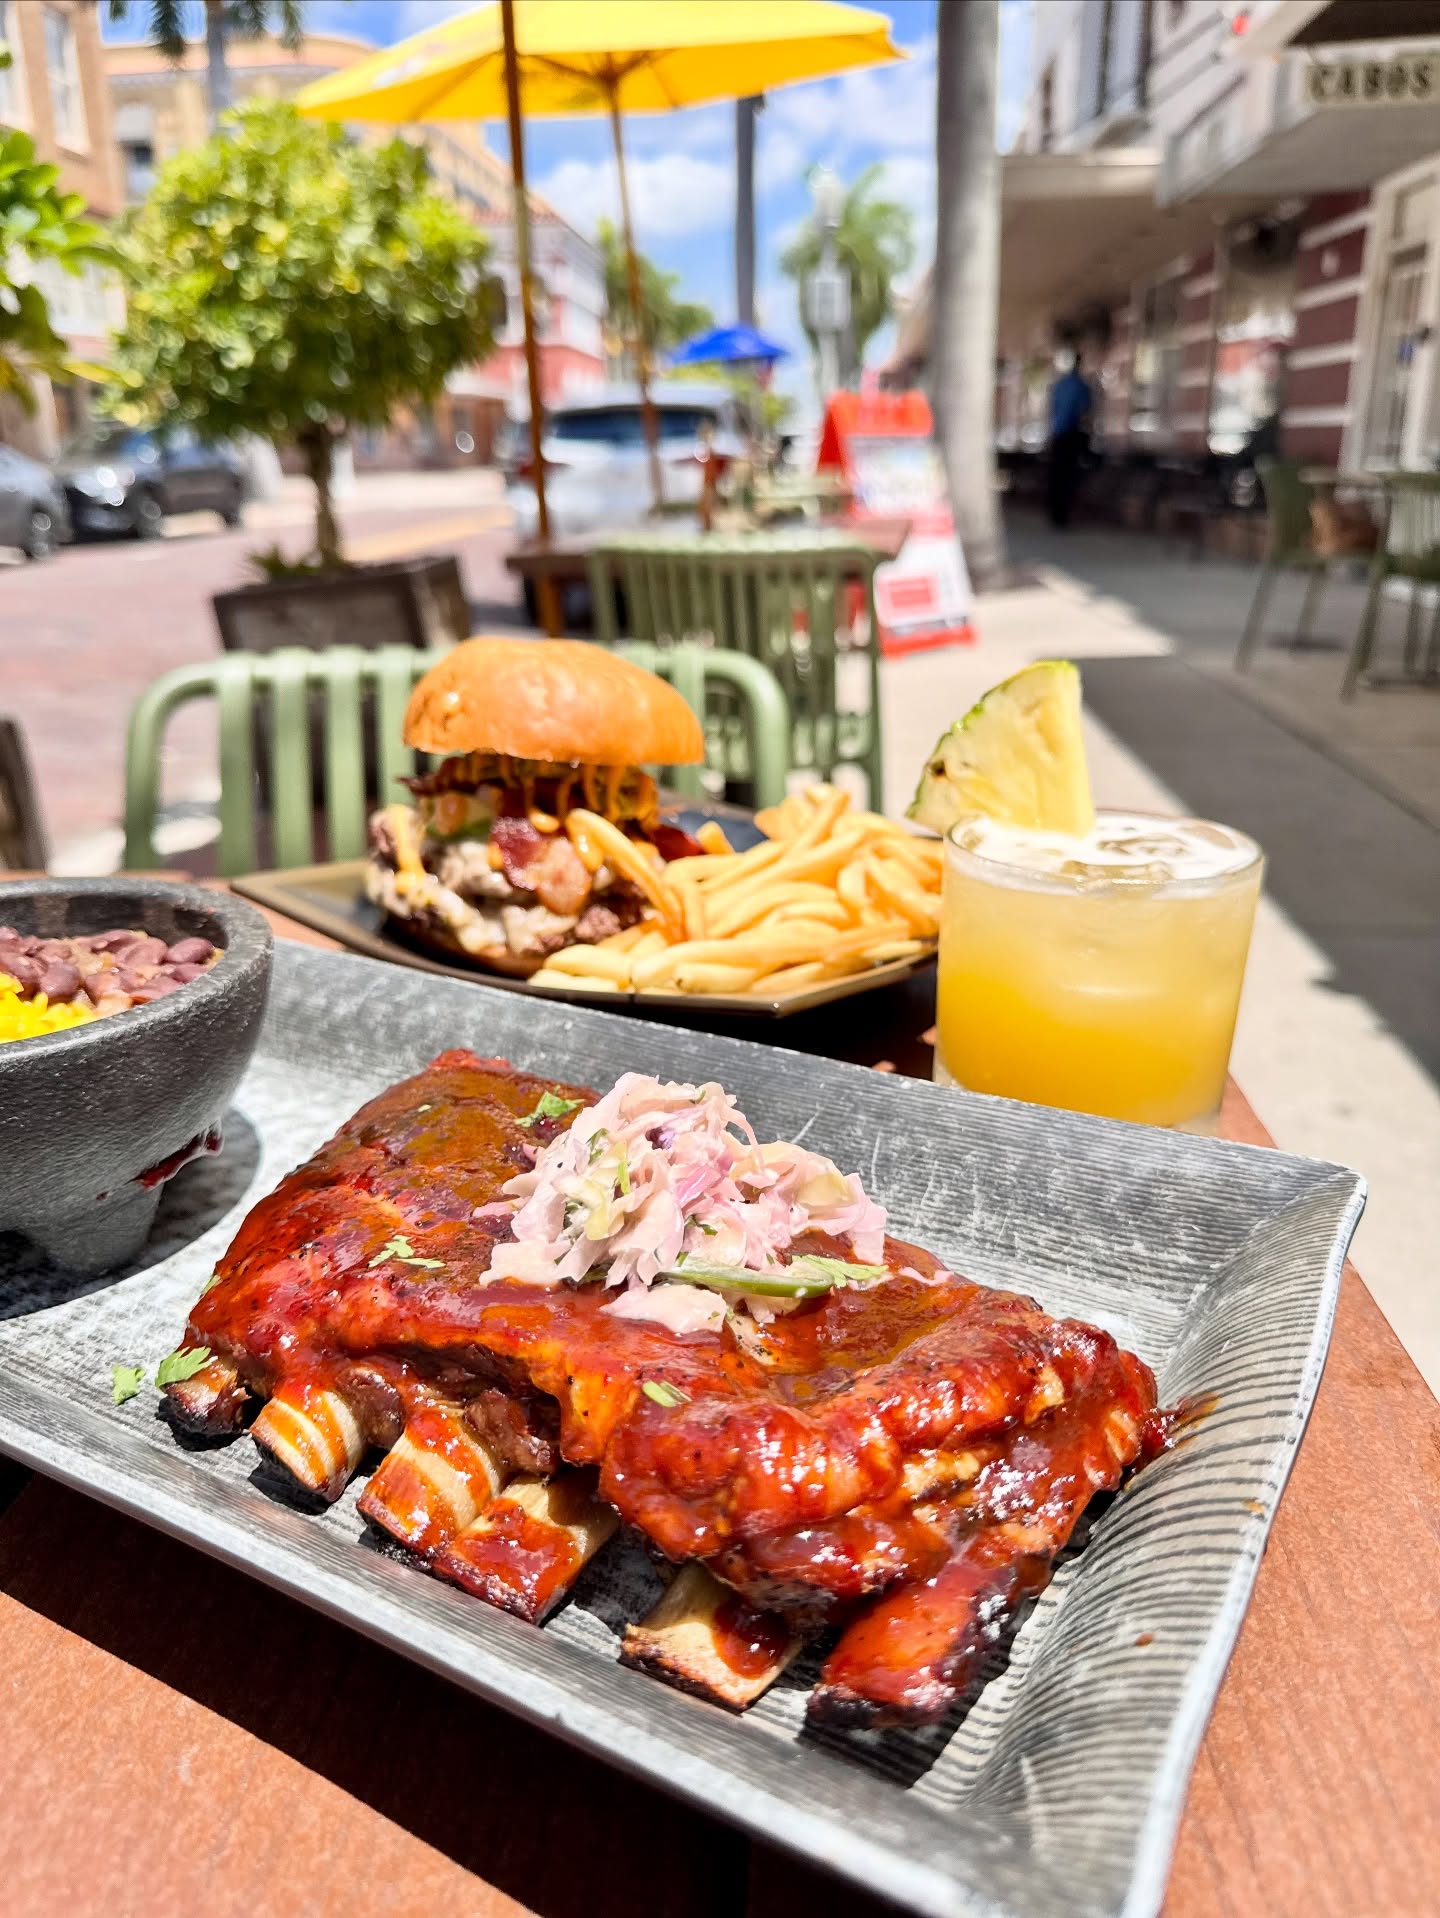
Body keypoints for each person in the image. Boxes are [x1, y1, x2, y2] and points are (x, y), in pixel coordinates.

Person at [1045, 351, 1094, 528]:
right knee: (1069, 476)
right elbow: (1085, 411)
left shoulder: (1059, 385)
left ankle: (1055, 513)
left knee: (1057, 475)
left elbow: (1053, 409)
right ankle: (1062, 514)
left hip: (1058, 435)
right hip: (1071, 435)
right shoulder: (1080, 386)